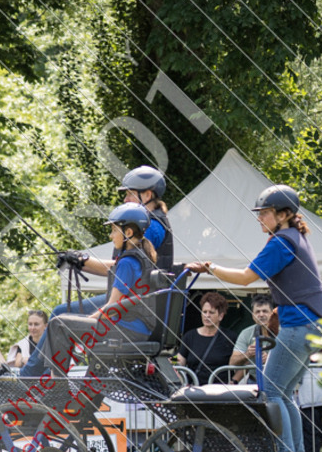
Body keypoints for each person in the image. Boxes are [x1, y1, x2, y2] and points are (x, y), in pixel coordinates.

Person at [187, 184, 322, 452]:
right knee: (285, 394)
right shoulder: (296, 237)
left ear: (284, 214)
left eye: (264, 212)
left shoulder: (281, 242)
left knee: (272, 393)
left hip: (298, 325)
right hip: (313, 325)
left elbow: (245, 278)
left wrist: (211, 267)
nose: (259, 218)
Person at [24, 203, 156, 378]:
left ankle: (57, 386)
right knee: (65, 322)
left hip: (126, 331)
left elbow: (112, 306)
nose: (111, 236)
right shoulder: (142, 257)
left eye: (114, 230)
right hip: (137, 330)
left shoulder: (126, 262)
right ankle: (76, 397)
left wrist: (85, 320)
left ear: (128, 233)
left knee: (59, 324)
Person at [51, 165, 171, 318]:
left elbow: (125, 266)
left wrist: (82, 260)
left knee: (59, 313)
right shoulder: (148, 223)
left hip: (135, 305)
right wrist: (80, 262)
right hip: (133, 299)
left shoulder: (150, 228)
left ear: (147, 195)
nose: (125, 199)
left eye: (129, 194)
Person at [176, 292, 237, 385]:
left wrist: (234, 381)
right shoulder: (190, 336)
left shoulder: (230, 337)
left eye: (211, 312)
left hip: (221, 392)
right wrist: (171, 360)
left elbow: (244, 364)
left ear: (221, 316)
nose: (207, 315)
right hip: (195, 390)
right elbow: (179, 359)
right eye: (204, 312)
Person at [229, 294, 277, 383]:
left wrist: (270, 359)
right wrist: (248, 354)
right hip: (254, 382)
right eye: (257, 312)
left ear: (272, 313)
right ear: (252, 315)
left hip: (278, 381)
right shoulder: (246, 333)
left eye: (265, 311)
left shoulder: (283, 332)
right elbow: (232, 362)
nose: (261, 315)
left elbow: (293, 359)